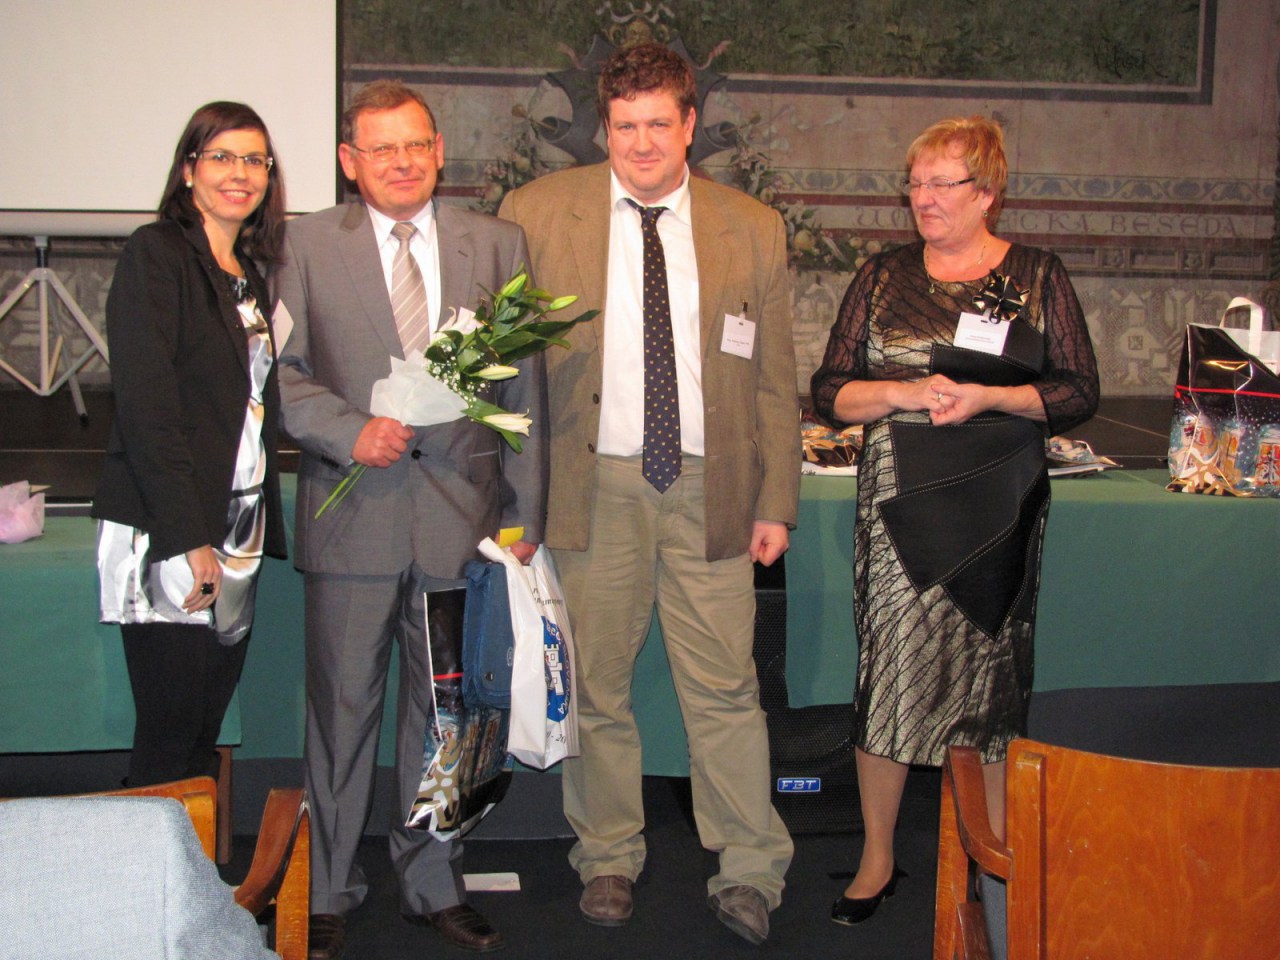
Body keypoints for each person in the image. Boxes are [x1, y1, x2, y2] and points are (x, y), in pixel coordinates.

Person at [499, 41, 799, 946]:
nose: (641, 143)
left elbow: (776, 379)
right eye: (624, 125)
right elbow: (506, 370)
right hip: (594, 487)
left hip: (713, 487)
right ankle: (606, 855)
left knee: (727, 689)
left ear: (689, 123)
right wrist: (515, 501)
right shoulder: (536, 214)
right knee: (597, 686)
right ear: (604, 126)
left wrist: (776, 501)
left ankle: (750, 867)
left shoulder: (752, 227)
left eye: (658, 124)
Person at [275, 79, 546, 958]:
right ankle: (328, 886)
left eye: (416, 145)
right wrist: (349, 430)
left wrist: (523, 517)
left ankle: (433, 879)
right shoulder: (303, 245)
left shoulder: (497, 244)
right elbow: (282, 375)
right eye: (381, 148)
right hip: (353, 518)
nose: (402, 162)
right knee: (341, 713)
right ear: (349, 161)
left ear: (439, 152)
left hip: (459, 526)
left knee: (445, 716)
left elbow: (523, 392)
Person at [809, 115, 1099, 926]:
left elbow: (1079, 390)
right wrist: (902, 392)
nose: (925, 198)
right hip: (899, 502)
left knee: (991, 680)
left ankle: (994, 856)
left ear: (988, 192)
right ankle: (877, 857)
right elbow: (828, 390)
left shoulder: (1036, 274)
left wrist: (991, 397)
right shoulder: (882, 275)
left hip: (997, 505)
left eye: (943, 184)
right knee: (890, 674)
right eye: (916, 183)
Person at [93, 101, 288, 788]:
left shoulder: (247, 273)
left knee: (202, 730)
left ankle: (189, 856)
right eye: (221, 157)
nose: (240, 173)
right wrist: (187, 536)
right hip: (170, 524)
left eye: (254, 160)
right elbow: (148, 409)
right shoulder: (157, 254)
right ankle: (145, 859)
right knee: (169, 735)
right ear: (188, 170)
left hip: (238, 526)